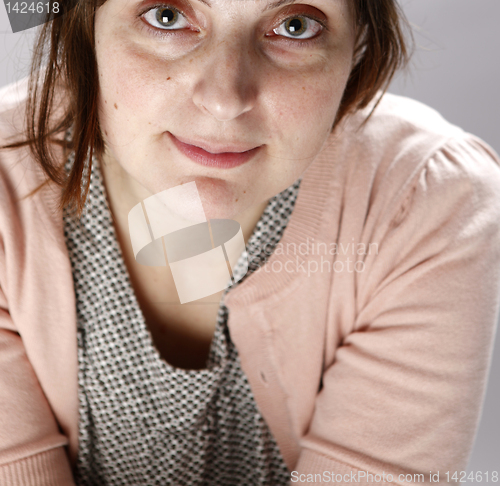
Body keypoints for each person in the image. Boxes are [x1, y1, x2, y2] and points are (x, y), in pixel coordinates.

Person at [1, 0, 500, 484]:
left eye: (297, 24)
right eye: (167, 15)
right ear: (83, 26)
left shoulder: (421, 204)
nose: (225, 98)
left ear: (358, 49)